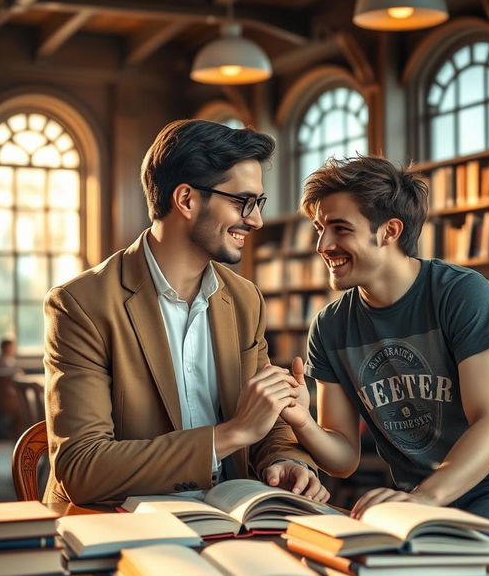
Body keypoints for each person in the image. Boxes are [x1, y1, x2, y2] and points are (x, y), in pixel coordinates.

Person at [279, 155, 489, 558]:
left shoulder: (460, 292)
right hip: (423, 504)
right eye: (320, 229)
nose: (323, 245)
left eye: (340, 228)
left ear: (389, 231)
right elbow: (343, 457)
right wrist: (302, 420)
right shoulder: (329, 327)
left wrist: (427, 498)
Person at [43, 119, 327, 505]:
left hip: (231, 522)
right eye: (243, 201)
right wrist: (233, 433)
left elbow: (268, 422)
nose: (256, 220)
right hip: (119, 528)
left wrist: (287, 459)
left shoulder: (245, 299)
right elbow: (83, 468)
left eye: (258, 203)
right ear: (187, 199)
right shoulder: (81, 305)